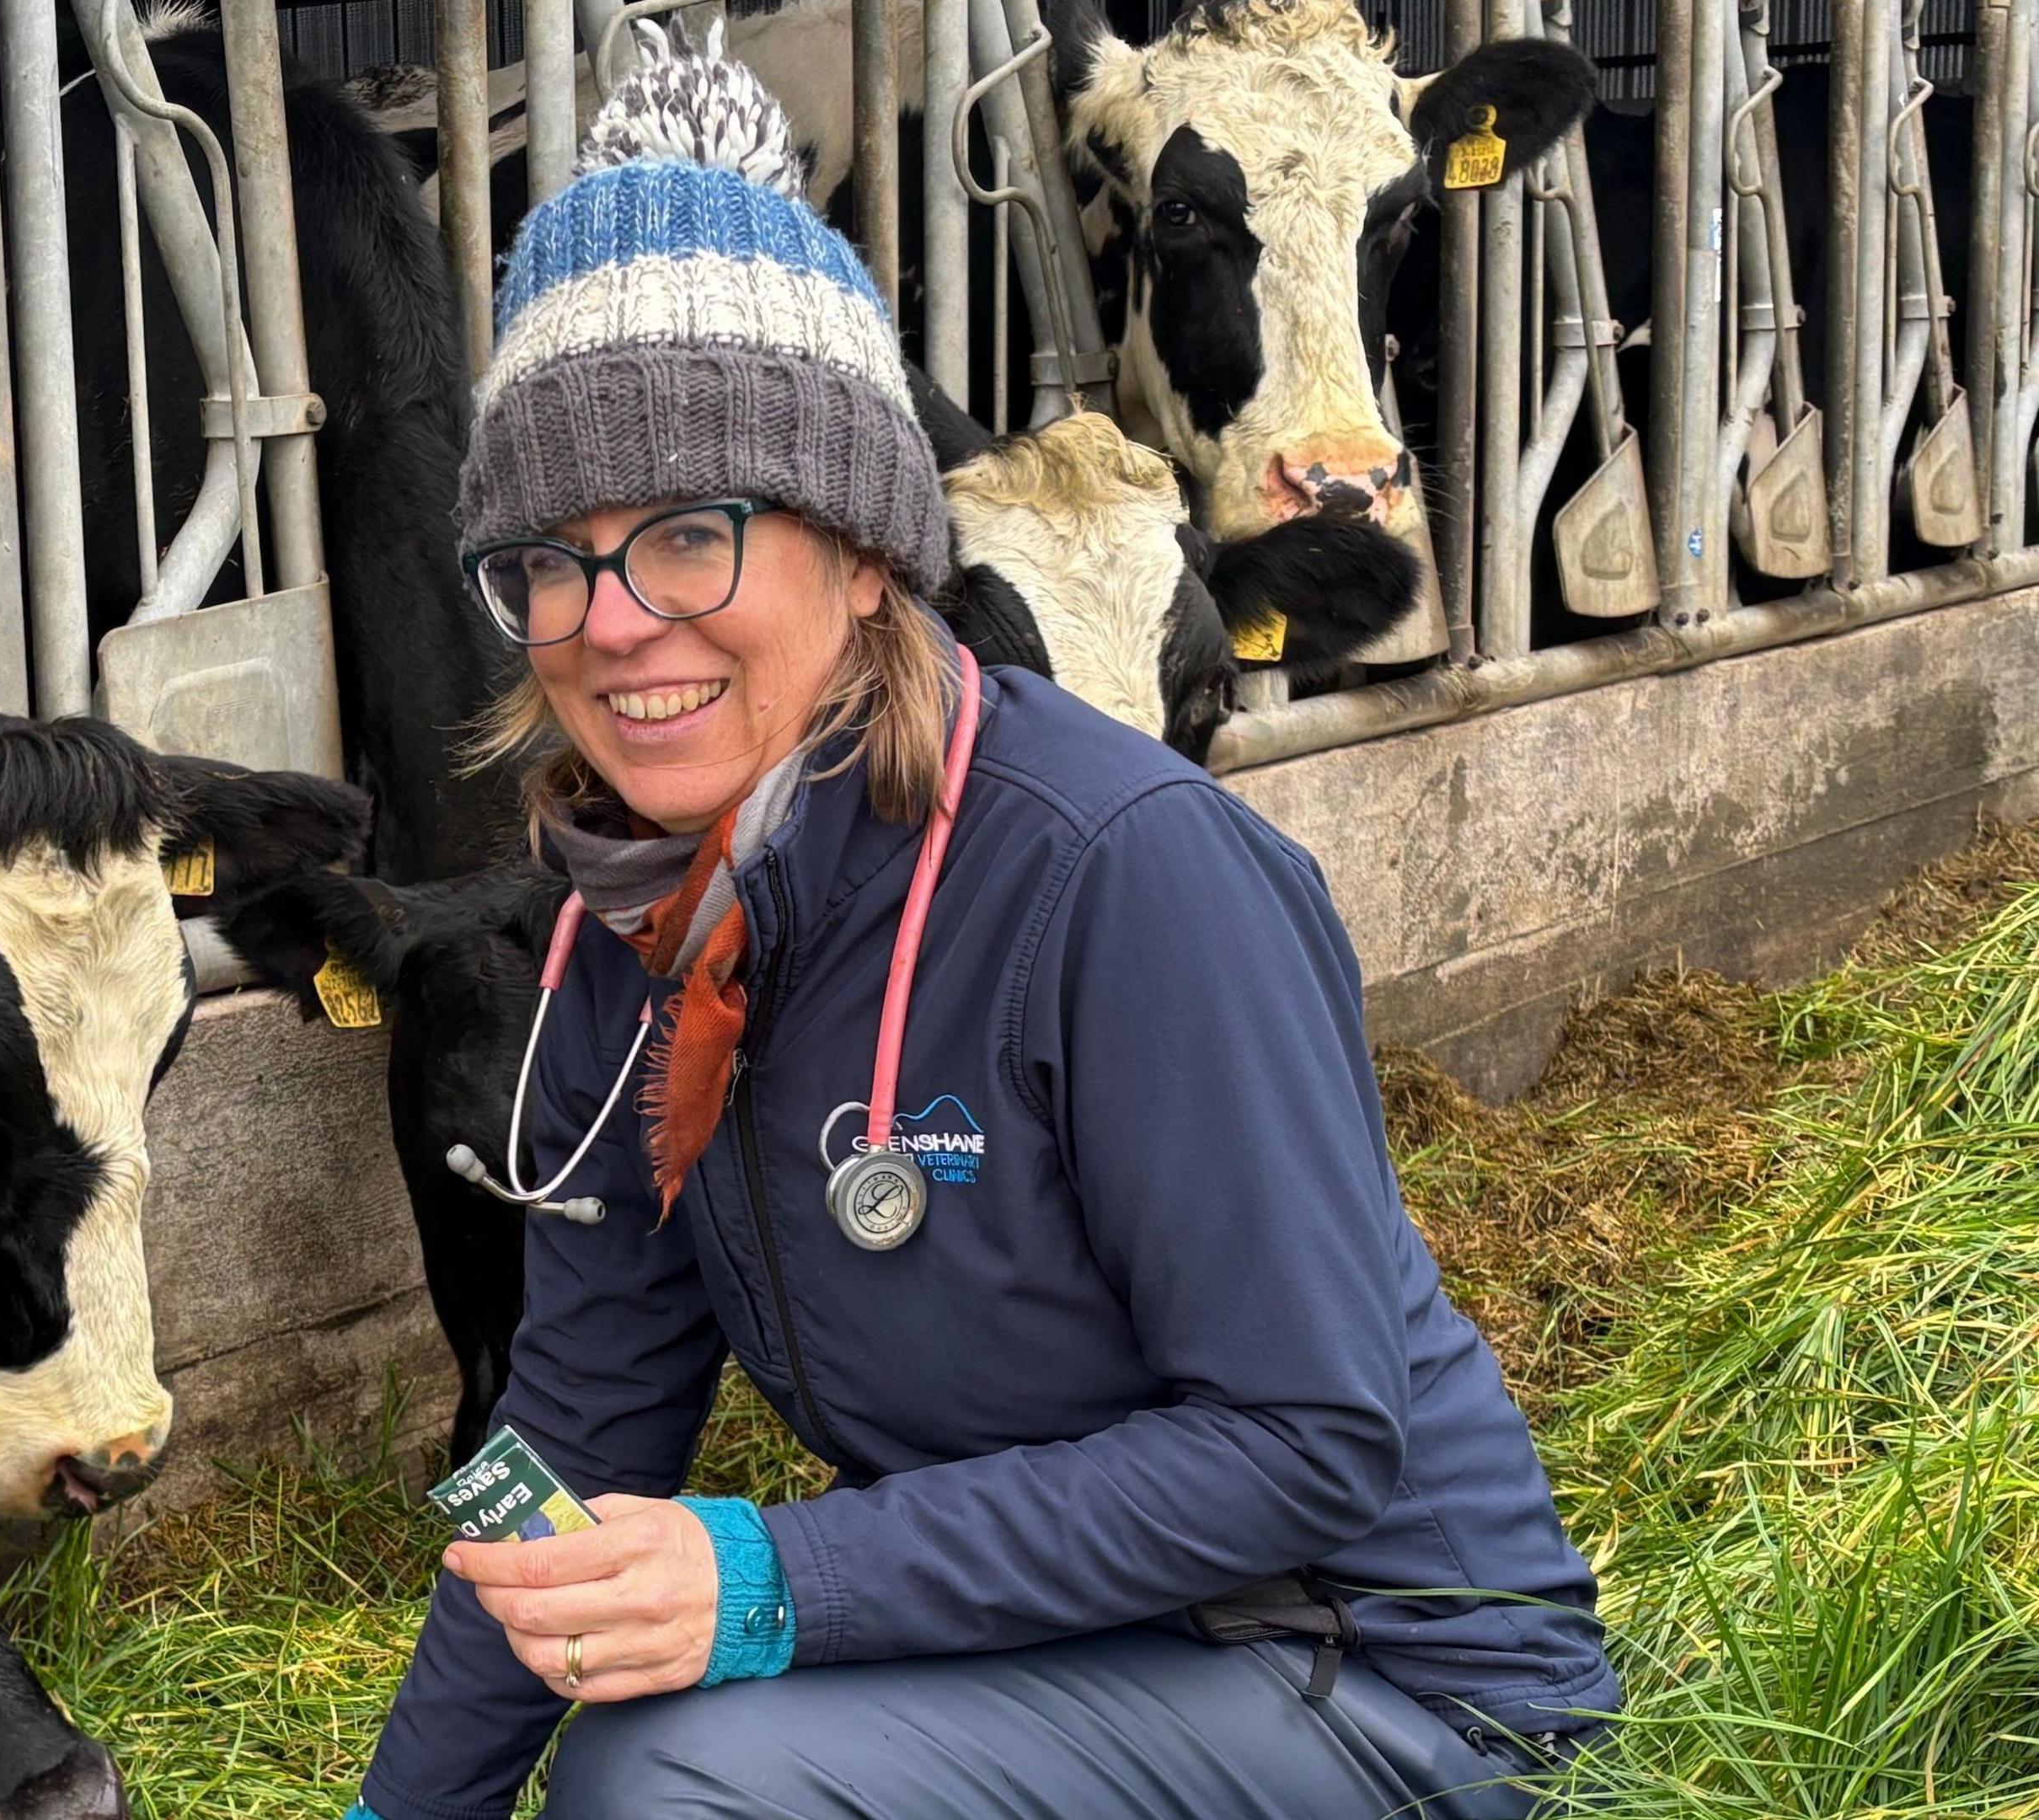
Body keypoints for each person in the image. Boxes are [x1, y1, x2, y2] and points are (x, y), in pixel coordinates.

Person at [340, 29, 1618, 1820]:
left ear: (864, 548)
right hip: (1066, 1649)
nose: (611, 620)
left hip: (1380, 1673)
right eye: (545, 558)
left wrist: (785, 1584)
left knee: (678, 1776)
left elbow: (1309, 1441)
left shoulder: (1118, 867)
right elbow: (573, 1434)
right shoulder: (633, 925)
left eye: (690, 535)